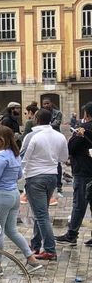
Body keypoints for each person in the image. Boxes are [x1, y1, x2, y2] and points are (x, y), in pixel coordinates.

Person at [0, 125, 41, 273]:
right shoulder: (14, 155)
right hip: (13, 194)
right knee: (11, 230)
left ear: (1, 140)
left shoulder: (0, 156)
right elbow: (19, 176)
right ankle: (30, 258)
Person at [21, 108, 69, 261]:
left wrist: (21, 175)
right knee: (41, 212)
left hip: (35, 177)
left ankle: (49, 249)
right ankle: (35, 244)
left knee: (41, 215)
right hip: (52, 176)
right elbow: (64, 157)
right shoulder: (59, 136)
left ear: (36, 119)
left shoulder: (32, 136)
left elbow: (23, 156)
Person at [58, 103, 92, 246]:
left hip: (83, 171)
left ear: (86, 114)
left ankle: (72, 234)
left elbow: (71, 147)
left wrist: (75, 135)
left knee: (79, 204)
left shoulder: (85, 129)